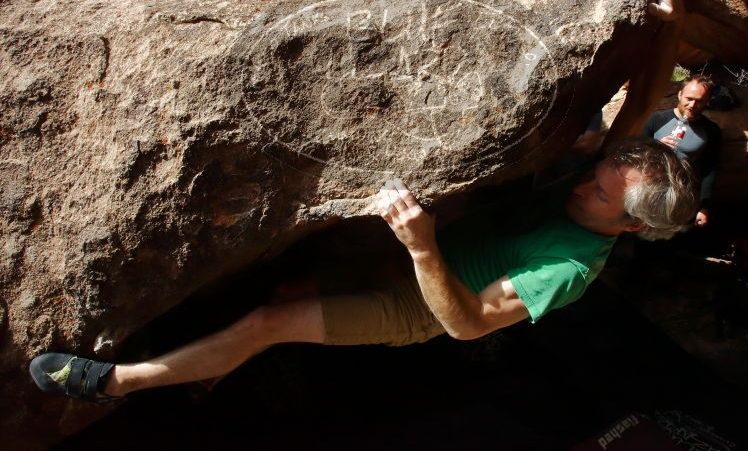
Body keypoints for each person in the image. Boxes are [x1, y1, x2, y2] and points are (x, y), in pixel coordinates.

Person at [29, 137, 698, 402]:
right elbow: (636, 115)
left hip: (417, 306)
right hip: (402, 257)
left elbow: (467, 326)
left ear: (632, 225)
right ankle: (201, 371)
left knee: (269, 321)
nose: (580, 187)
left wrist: (420, 247)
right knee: (285, 291)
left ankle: (116, 383)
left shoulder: (570, 268)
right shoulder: (598, 187)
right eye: (591, 177)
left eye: (599, 195)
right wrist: (664, 22)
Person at [643, 75, 721, 227]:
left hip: (682, 197)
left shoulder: (711, 131)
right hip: (649, 191)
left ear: (707, 102)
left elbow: (710, 170)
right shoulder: (657, 119)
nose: (692, 105)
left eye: (699, 101)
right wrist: (655, 145)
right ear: (680, 94)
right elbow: (634, 150)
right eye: (689, 98)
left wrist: (704, 206)